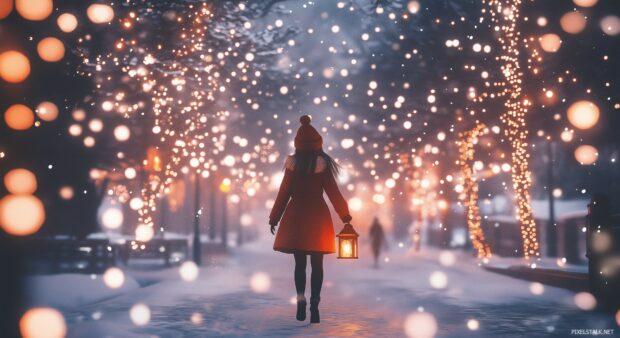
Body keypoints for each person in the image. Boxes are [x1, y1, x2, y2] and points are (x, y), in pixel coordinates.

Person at [269, 115, 351, 324]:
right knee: (317, 264)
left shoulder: (292, 167)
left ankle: (301, 299)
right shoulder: (323, 167)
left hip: (296, 216)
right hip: (318, 219)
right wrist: (345, 216)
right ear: (318, 145)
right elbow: (334, 193)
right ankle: (315, 302)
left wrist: (274, 217)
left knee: (299, 264)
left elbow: (283, 193)